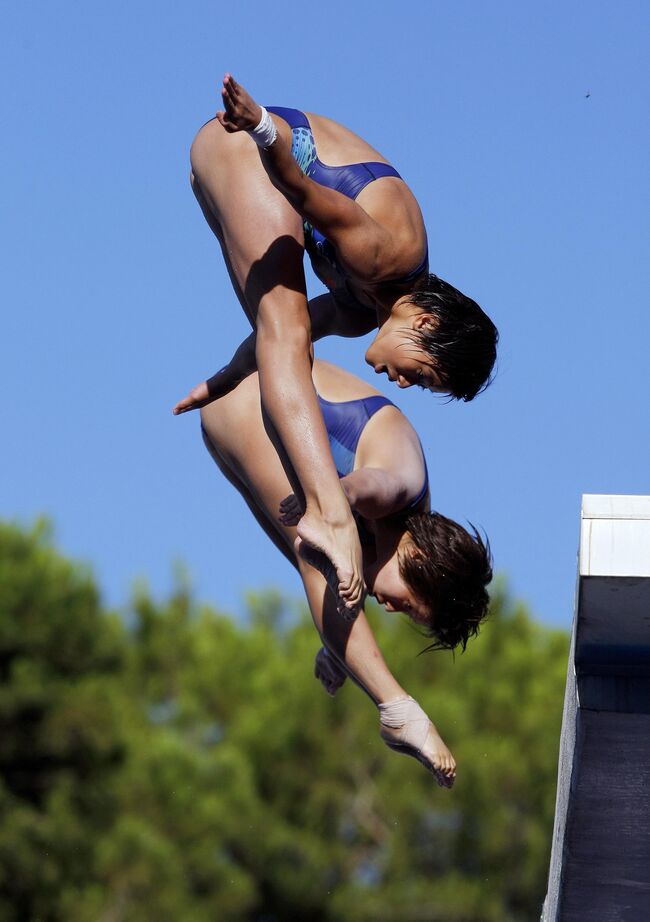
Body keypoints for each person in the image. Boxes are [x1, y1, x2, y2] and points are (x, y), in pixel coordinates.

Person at [175, 74, 498, 617]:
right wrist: (258, 125)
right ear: (424, 322)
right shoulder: (390, 257)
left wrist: (226, 378)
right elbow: (303, 192)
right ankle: (326, 516)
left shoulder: (355, 310)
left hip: (229, 161)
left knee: (289, 333)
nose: (401, 384)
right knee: (290, 329)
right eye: (420, 375)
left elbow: (267, 342)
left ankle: (326, 515)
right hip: (253, 146)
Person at [200, 358, 492, 786]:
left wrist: (340, 646)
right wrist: (336, 499)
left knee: (324, 552)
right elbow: (373, 485)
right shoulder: (405, 485)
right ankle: (397, 708)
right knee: (320, 549)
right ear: (421, 561)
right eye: (410, 607)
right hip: (252, 397)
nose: (393, 610)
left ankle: (343, 646)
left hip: (233, 423)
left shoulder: (388, 536)